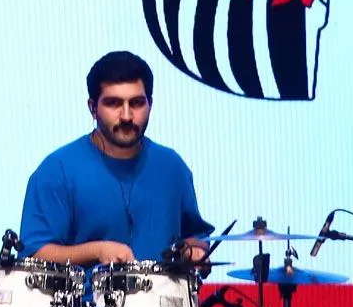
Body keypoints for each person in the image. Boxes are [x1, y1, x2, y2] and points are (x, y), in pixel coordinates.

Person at [20, 50, 212, 268]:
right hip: (87, 291)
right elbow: (34, 253)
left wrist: (194, 252)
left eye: (137, 103)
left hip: (164, 291)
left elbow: (195, 238)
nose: (127, 116)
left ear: (150, 104)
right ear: (93, 108)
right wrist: (96, 250)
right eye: (113, 103)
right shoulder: (57, 170)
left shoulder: (172, 167)